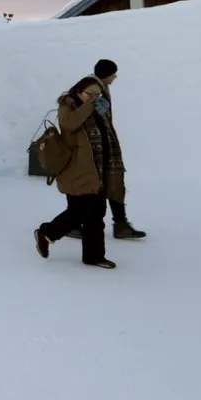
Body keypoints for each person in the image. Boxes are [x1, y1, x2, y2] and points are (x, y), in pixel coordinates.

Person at [34, 77, 117, 269]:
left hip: (98, 169)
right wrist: (90, 106)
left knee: (96, 214)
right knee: (78, 212)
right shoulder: (67, 106)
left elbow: (107, 128)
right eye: (90, 94)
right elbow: (70, 124)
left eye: (98, 94)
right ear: (79, 91)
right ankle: (46, 232)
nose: (94, 98)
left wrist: (102, 106)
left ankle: (94, 256)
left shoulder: (98, 106)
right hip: (76, 170)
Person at [65, 59, 146, 240]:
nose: (115, 77)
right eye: (113, 74)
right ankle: (118, 224)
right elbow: (85, 117)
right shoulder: (93, 88)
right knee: (99, 184)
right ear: (106, 74)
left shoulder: (96, 85)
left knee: (102, 183)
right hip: (94, 147)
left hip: (101, 144)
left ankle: (114, 223)